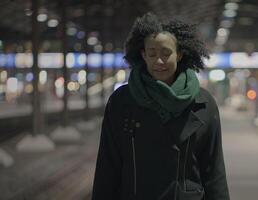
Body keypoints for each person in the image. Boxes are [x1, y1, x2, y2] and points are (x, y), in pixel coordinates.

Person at [92, 12, 230, 200]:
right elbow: (107, 169)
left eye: (166, 54)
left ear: (180, 54)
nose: (159, 61)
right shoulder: (122, 101)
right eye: (152, 53)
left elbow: (214, 172)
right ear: (143, 54)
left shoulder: (203, 103)